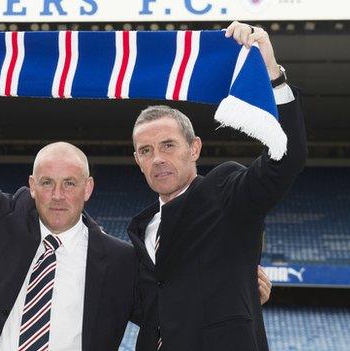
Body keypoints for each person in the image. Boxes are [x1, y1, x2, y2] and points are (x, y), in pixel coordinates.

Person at [0, 27, 273, 351]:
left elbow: (169, 304)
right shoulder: (5, 220)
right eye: (47, 183)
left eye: (69, 183)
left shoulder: (119, 260)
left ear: (88, 188)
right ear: (32, 186)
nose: (58, 195)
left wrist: (234, 281)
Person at [128, 21, 307, 350]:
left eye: (168, 145)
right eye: (146, 151)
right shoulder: (140, 228)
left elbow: (287, 157)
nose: (157, 159)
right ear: (138, 160)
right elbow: (152, 306)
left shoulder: (226, 191)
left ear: (194, 148)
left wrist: (271, 72)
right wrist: (235, 290)